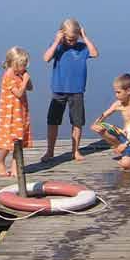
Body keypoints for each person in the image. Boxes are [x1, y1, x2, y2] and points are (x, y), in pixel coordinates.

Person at [40, 18, 99, 163]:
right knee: (53, 121)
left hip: (77, 90)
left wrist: (85, 37)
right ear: (62, 35)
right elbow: (46, 58)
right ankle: (50, 151)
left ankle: (75, 150)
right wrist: (56, 42)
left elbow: (95, 53)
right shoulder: (58, 47)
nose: (71, 42)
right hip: (58, 90)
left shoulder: (82, 47)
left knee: (77, 122)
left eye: (74, 39)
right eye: (68, 39)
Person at [90, 73, 130, 169]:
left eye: (118, 92)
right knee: (98, 128)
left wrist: (126, 144)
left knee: (126, 165)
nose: (116, 95)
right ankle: (122, 149)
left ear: (128, 91)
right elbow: (105, 114)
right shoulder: (119, 104)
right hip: (123, 136)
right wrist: (96, 123)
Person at [0, 46, 33, 177]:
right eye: (21, 65)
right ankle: (0, 161)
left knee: (19, 140)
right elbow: (18, 93)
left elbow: (30, 88)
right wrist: (24, 82)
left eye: (24, 65)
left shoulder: (20, 73)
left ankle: (15, 167)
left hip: (20, 112)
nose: (23, 68)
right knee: (8, 142)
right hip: (10, 113)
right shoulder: (8, 75)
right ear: (12, 63)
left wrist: (26, 78)